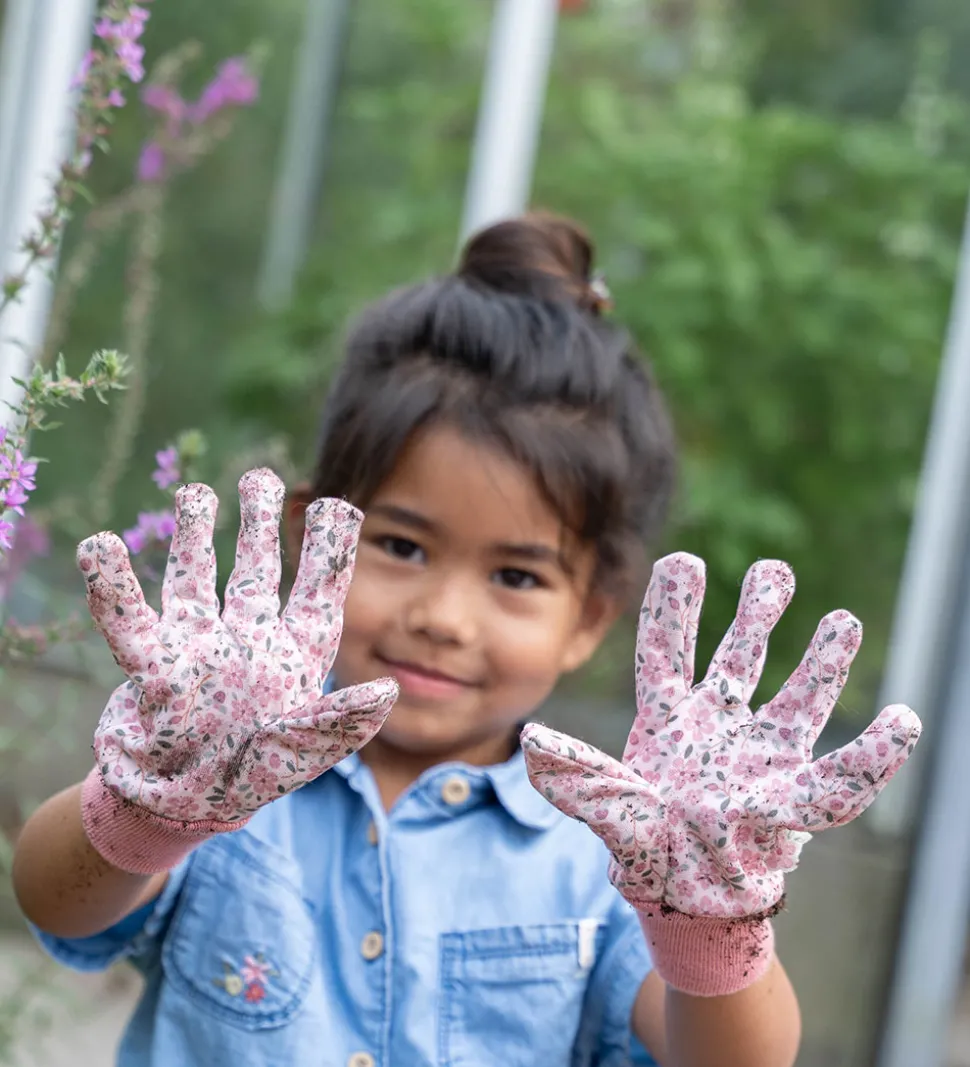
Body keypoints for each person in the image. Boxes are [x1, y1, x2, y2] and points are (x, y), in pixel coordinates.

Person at [12, 214, 920, 1067]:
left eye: (516, 576)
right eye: (401, 546)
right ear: (311, 537)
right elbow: (55, 899)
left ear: (592, 618)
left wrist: (711, 919)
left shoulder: (617, 851)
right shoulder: (223, 766)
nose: (445, 617)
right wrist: (149, 807)